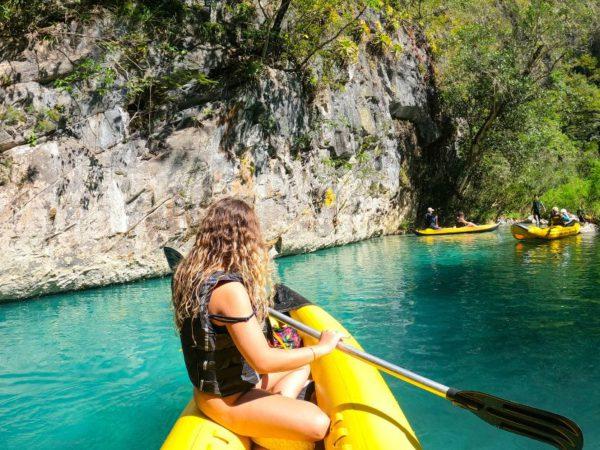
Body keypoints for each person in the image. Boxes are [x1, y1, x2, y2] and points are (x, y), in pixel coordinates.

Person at [171, 197, 344, 449]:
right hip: (228, 399)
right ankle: (268, 421)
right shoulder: (229, 290)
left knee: (300, 367)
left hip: (223, 387)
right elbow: (262, 361)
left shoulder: (188, 277)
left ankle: (278, 405)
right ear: (245, 238)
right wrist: (321, 348)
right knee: (319, 424)